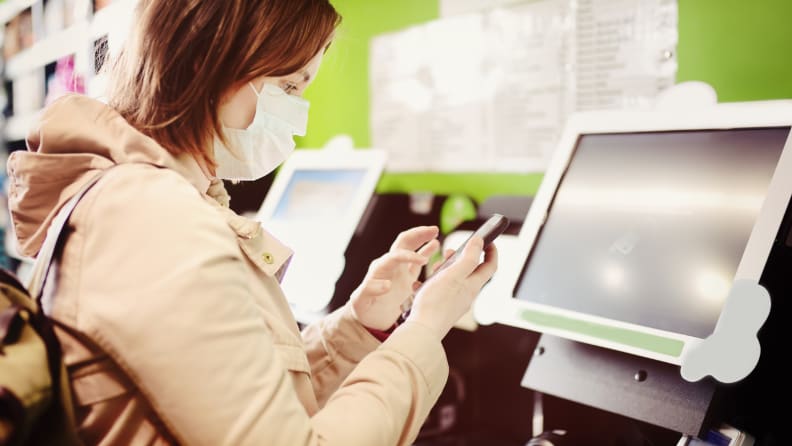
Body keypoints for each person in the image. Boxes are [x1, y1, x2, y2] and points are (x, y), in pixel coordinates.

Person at [5, 0, 498, 444]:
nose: (298, 117)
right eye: (287, 86)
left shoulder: (147, 199)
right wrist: (427, 327)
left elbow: (251, 401)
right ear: (209, 62)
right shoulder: (152, 218)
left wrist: (359, 324)